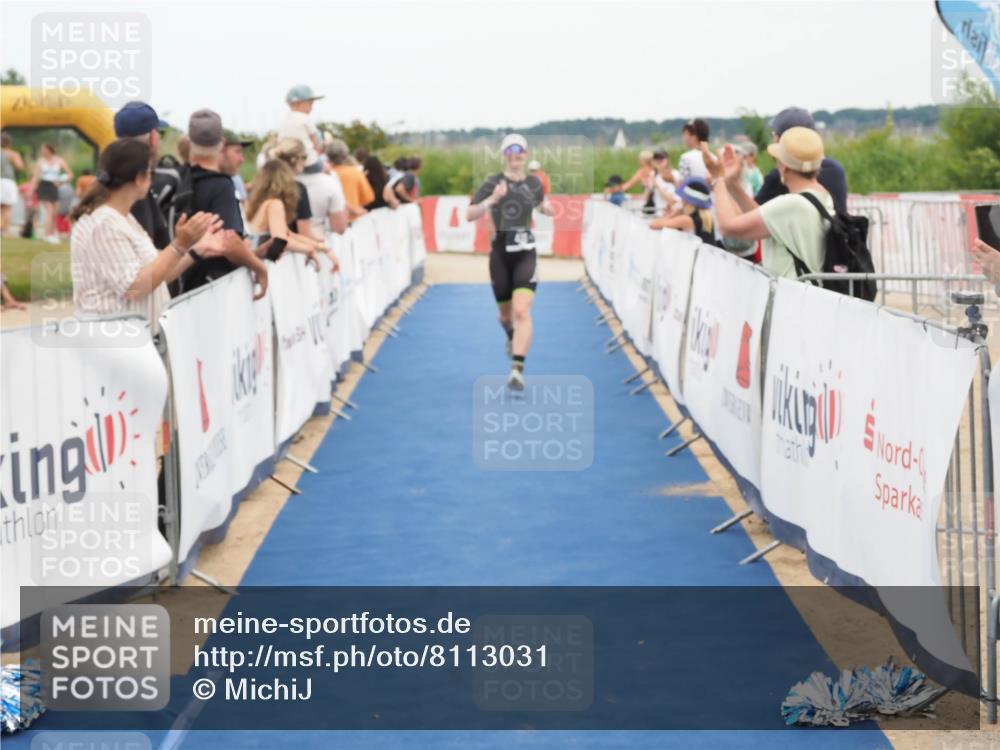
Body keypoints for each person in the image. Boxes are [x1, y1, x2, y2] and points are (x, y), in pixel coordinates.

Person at [69, 139, 224, 328]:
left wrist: (196, 248)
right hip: (115, 345)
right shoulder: (104, 225)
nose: (153, 179)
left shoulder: (123, 218)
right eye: (151, 172)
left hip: (132, 342)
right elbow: (135, 286)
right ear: (138, 178)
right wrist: (180, 244)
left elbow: (159, 274)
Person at [466, 134, 555, 391]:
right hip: (500, 255)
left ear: (525, 155)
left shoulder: (534, 183)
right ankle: (510, 335)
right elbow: (469, 214)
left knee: (522, 311)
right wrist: (492, 199)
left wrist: (547, 209)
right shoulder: (492, 182)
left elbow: (542, 204)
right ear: (504, 154)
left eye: (520, 151)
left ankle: (517, 369)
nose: (515, 156)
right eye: (510, 151)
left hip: (526, 252)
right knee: (505, 317)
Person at [705, 127, 834, 281]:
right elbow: (766, 217)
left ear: (784, 167)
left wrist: (718, 179)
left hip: (790, 300)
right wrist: (731, 183)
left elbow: (727, 227)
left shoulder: (792, 205)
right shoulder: (821, 196)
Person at [180, 109, 271, 293]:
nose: (242, 159)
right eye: (237, 151)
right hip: (210, 288)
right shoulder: (221, 186)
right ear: (220, 148)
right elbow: (229, 242)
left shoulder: (181, 176)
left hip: (182, 286)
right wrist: (259, 267)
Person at [753, 107, 848, 213]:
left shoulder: (781, 176)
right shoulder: (835, 170)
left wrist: (733, 185)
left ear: (780, 140)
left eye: (774, 135)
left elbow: (754, 215)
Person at [113, 101, 173, 249]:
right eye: (160, 133)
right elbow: (147, 257)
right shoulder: (136, 184)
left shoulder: (110, 176)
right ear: (153, 137)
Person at [246, 159, 328, 264]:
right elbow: (281, 240)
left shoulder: (260, 203)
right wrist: (309, 250)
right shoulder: (274, 204)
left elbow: (289, 235)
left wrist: (320, 248)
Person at [650, 177, 717, 245]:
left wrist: (675, 212)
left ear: (687, 201)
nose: (681, 200)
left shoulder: (687, 219)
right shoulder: (704, 216)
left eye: (683, 198)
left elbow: (654, 225)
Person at [30, 144, 73, 243]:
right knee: (49, 210)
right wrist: (31, 188)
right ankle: (47, 235)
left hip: (54, 187)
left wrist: (61, 181)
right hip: (44, 186)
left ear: (50, 150)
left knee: (55, 212)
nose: (43, 152)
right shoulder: (40, 161)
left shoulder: (59, 160)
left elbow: (70, 174)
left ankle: (53, 233)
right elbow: (35, 176)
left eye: (44, 150)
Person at [278, 85, 325, 174]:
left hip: (289, 163)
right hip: (309, 162)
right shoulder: (305, 118)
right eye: (310, 103)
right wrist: (319, 148)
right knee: (323, 165)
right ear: (298, 103)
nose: (312, 107)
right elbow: (315, 141)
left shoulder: (283, 121)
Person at [327, 139, 375, 220]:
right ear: (346, 155)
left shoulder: (325, 174)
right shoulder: (355, 172)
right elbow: (368, 198)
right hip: (353, 220)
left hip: (331, 222)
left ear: (328, 156)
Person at [1, 132, 25, 237]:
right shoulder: (13, 154)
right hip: (8, 181)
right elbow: (20, 167)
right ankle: (6, 230)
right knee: (7, 207)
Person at [643, 150, 678, 214]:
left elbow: (672, 200)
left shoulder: (675, 174)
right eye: (656, 159)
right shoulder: (652, 175)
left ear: (668, 160)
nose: (659, 161)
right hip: (658, 213)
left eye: (661, 158)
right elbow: (645, 198)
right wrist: (647, 186)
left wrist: (657, 185)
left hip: (671, 213)